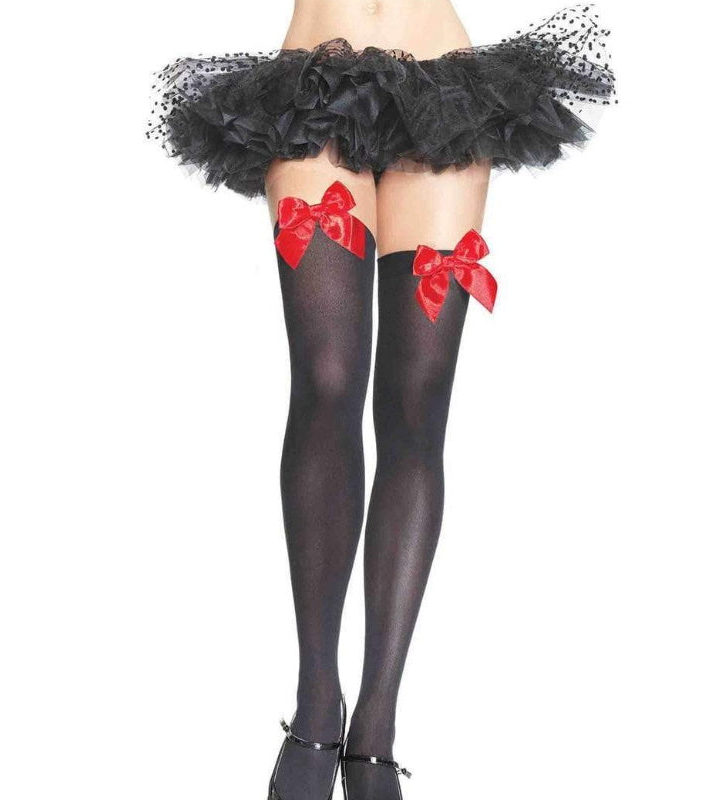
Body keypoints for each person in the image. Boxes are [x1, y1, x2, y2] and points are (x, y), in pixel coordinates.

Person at [147, 3, 616, 798]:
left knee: (416, 409)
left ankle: (376, 729)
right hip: (313, 86)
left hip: (446, 86)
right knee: (328, 378)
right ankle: (317, 704)